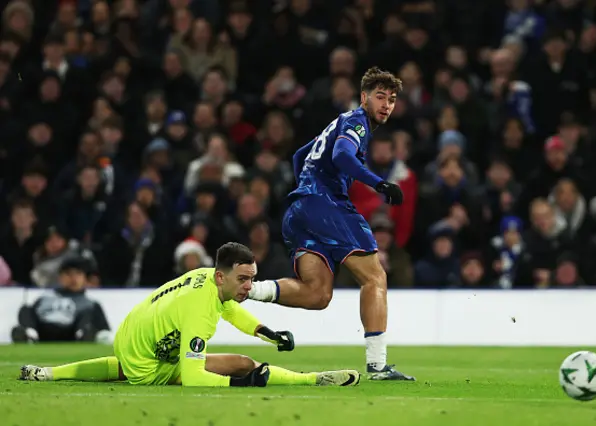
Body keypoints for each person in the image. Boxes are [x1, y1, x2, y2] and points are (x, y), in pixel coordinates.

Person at [248, 67, 414, 381]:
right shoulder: (357, 122)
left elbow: (299, 156)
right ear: (364, 97)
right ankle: (378, 366)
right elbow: (341, 157)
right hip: (327, 205)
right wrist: (378, 183)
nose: (386, 105)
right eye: (380, 97)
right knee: (375, 277)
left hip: (300, 210)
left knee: (318, 295)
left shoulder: (338, 122)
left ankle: (249, 290)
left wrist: (307, 190)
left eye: (391, 100)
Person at [19, 243, 359, 388]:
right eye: (244, 279)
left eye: (252, 278)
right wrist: (243, 383)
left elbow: (229, 309)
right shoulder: (199, 311)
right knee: (243, 364)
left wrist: (265, 331)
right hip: (147, 363)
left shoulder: (207, 278)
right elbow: (195, 378)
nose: (249, 286)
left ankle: (46, 373)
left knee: (123, 367)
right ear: (222, 276)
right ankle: (312, 379)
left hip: (132, 338)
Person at [11, 256, 110, 343]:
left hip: (71, 333)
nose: (73, 278)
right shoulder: (45, 297)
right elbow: (30, 315)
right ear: (60, 277)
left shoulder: (90, 304)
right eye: (68, 274)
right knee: (26, 308)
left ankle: (83, 335)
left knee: (88, 313)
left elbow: (105, 329)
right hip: (42, 330)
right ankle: (29, 334)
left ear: (85, 278)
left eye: (78, 274)